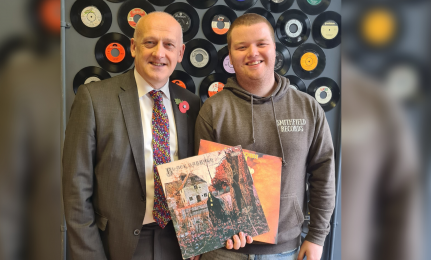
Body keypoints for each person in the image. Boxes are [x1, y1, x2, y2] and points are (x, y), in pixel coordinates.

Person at [194, 13, 336, 260]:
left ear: (274, 48)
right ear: (230, 55)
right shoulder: (213, 110)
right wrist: (217, 229)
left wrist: (317, 236)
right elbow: (201, 183)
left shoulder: (308, 107)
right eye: (241, 46)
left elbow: (323, 174)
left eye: (261, 44)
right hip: (225, 252)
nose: (253, 53)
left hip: (287, 251)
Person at [62, 12, 202, 260]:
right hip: (117, 244)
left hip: (179, 244)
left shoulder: (191, 104)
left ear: (180, 53)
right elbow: (76, 189)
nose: (159, 53)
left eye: (168, 45)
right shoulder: (93, 99)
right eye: (150, 42)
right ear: (133, 47)